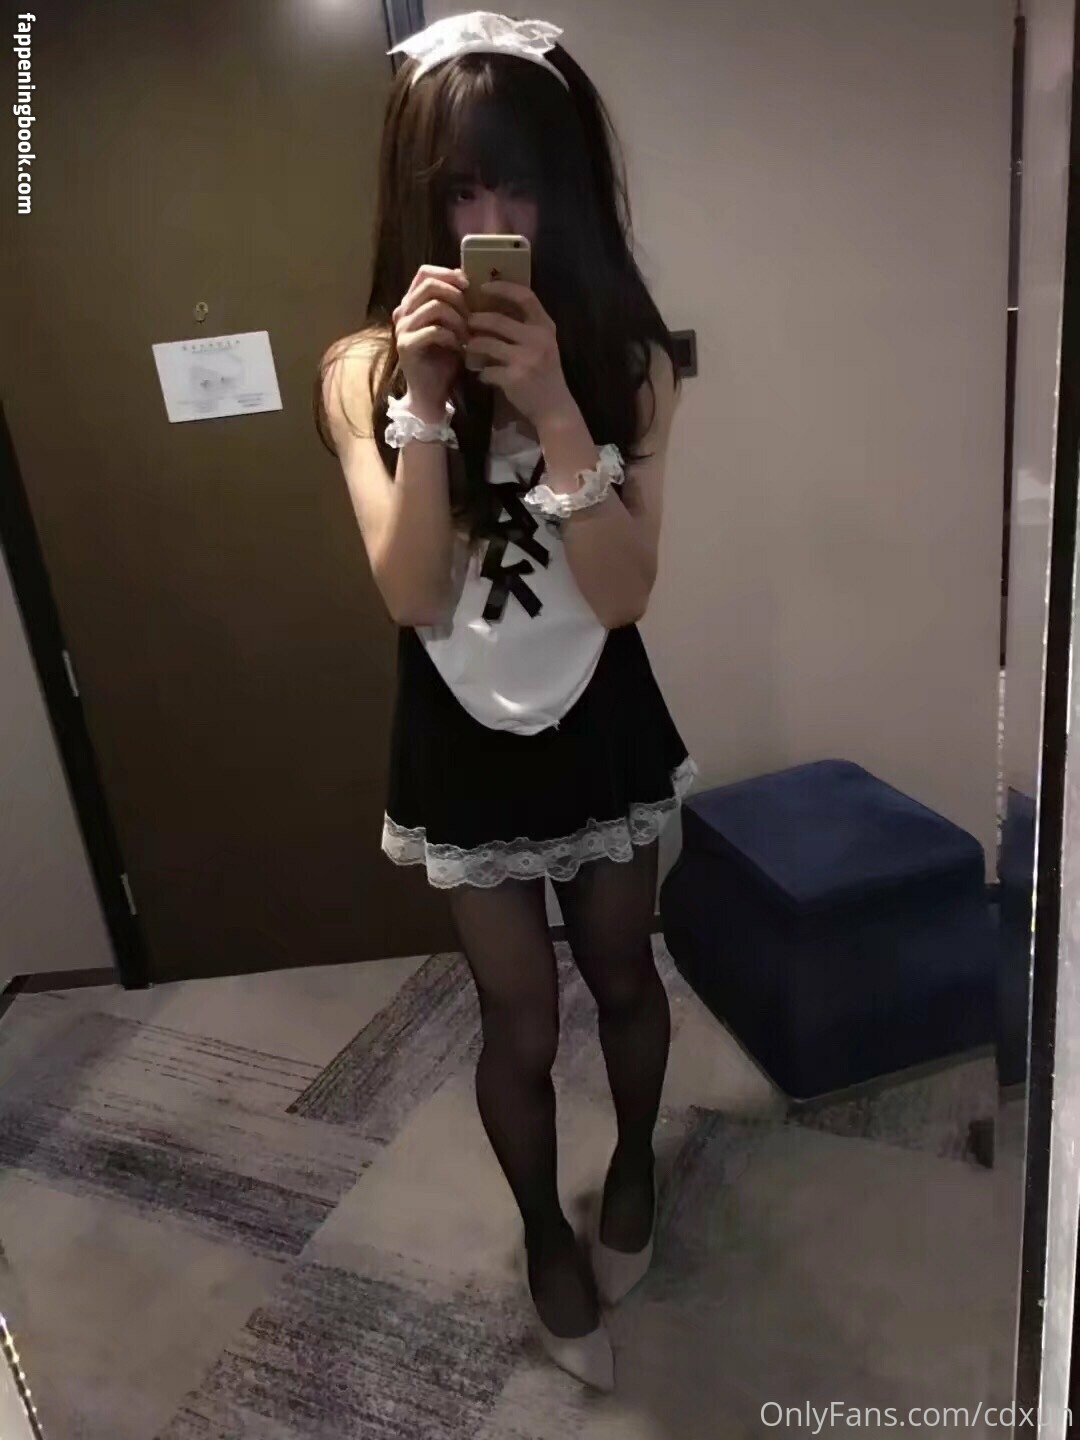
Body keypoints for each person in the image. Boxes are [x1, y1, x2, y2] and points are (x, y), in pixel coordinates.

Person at [314, 11, 696, 1392]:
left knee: (625, 973)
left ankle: (635, 1166)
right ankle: (544, 1233)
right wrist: (426, 396)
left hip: (600, 711)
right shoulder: (360, 372)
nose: (490, 224)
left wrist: (554, 403)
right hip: (459, 733)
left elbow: (627, 591)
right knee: (519, 1020)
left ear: (566, 192)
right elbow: (416, 593)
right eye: (460, 191)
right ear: (417, 202)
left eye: (519, 187)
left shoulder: (630, 358)